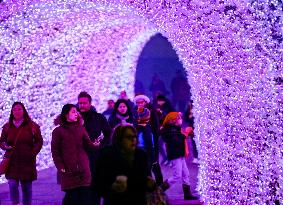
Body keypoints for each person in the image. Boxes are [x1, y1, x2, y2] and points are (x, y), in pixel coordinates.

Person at [96, 124, 155, 205]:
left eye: (134, 136)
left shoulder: (141, 155)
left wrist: (150, 184)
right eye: (128, 137)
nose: (133, 140)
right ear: (118, 138)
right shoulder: (106, 155)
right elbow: (97, 185)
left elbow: (146, 178)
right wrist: (112, 187)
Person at [51, 104, 99, 205]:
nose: (76, 114)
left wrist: (95, 145)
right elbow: (55, 152)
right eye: (73, 112)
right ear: (65, 114)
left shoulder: (81, 128)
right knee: (71, 198)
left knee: (85, 198)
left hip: (83, 168)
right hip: (69, 170)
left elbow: (88, 144)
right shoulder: (58, 131)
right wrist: (60, 166)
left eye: (76, 112)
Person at [0, 102, 43, 205]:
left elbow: (39, 141)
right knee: (12, 184)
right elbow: (1, 141)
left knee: (26, 188)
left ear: (23, 111)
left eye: (19, 109)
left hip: (27, 162)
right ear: (12, 112)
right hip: (12, 162)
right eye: (15, 109)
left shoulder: (32, 126)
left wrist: (32, 153)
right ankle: (15, 203)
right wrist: (5, 146)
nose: (17, 111)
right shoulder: (7, 127)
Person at [77, 91, 112, 205]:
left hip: (94, 157)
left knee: (94, 185)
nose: (82, 105)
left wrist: (102, 146)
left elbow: (108, 133)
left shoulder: (98, 117)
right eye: (80, 103)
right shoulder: (74, 117)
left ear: (90, 103)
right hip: (78, 156)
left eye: (84, 103)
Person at [160, 112, 198, 200]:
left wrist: (187, 134)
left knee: (186, 174)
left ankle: (187, 194)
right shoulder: (170, 130)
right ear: (173, 121)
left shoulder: (176, 129)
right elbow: (176, 141)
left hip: (180, 154)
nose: (181, 119)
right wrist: (186, 134)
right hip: (175, 155)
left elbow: (180, 138)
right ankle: (160, 189)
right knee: (177, 175)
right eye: (179, 118)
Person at [133, 94, 164, 186]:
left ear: (145, 102)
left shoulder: (152, 111)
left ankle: (159, 184)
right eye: (138, 103)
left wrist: (150, 129)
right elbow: (134, 123)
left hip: (151, 140)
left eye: (141, 102)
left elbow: (156, 125)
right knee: (144, 165)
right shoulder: (135, 112)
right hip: (140, 141)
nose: (139, 104)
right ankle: (148, 185)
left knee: (154, 162)